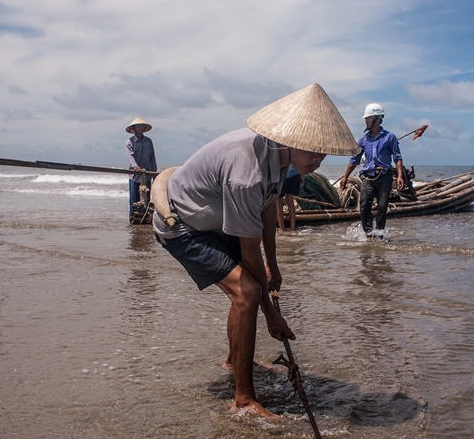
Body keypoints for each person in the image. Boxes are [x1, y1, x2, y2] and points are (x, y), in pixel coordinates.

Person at [153, 84, 358, 420]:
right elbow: (249, 247)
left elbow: (266, 214)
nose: (318, 159)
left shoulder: (281, 162)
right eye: (311, 151)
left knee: (254, 281)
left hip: (217, 220)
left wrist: (273, 265)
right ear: (288, 140)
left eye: (323, 153)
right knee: (247, 293)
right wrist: (270, 313)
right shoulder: (246, 173)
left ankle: (235, 361)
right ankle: (244, 400)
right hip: (182, 225)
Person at [338, 103, 405, 237]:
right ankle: (368, 234)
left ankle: (379, 234)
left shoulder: (390, 137)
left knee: (382, 206)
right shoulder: (363, 139)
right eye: (366, 118)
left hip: (384, 177)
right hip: (368, 178)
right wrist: (345, 176)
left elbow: (397, 158)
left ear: (377, 119)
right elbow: (354, 160)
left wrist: (400, 176)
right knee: (364, 205)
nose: (366, 121)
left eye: (368, 118)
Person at [125, 117, 157, 222]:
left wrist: (154, 173)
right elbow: (130, 157)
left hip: (147, 175)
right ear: (133, 128)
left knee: (146, 201)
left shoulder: (148, 141)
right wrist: (135, 167)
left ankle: (144, 221)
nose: (141, 127)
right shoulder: (130, 142)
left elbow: (152, 157)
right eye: (138, 126)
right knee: (134, 202)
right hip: (135, 177)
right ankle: (133, 222)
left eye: (142, 126)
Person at [276, 166, 302, 232]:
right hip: (296, 172)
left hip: (284, 174)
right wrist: (301, 175)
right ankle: (292, 227)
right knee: (290, 199)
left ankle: (282, 228)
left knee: (278, 200)